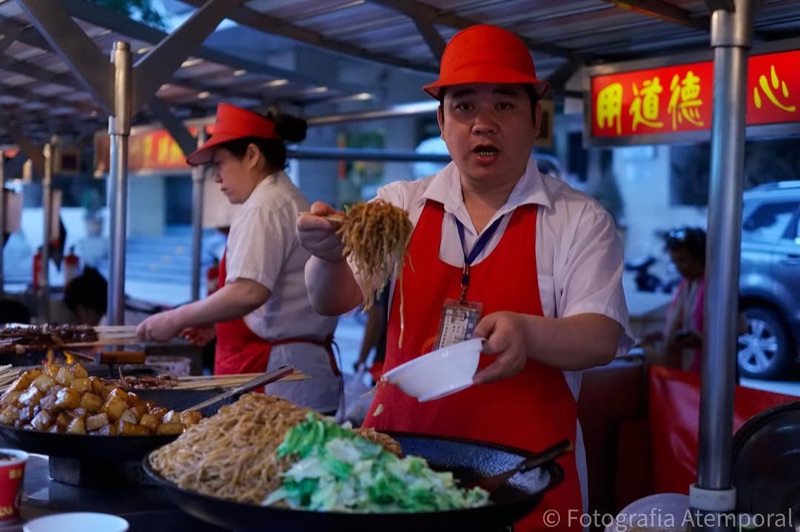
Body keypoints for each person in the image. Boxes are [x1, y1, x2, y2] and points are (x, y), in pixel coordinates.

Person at [296, 24, 633, 531]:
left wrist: (528, 331)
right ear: (441, 120)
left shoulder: (577, 219)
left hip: (522, 480)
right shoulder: (400, 205)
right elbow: (333, 298)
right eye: (465, 107)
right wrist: (325, 256)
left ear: (535, 118)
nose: (483, 124)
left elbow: (601, 336)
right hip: (395, 467)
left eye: (504, 105)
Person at [137, 103, 340, 414]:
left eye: (219, 163)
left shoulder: (265, 205)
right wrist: (217, 325)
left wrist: (174, 318)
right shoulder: (283, 198)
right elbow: (279, 301)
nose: (217, 178)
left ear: (252, 155)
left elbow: (249, 291)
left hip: (278, 382)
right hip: (292, 375)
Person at [641, 227, 745, 379]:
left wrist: (703, 339)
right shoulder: (686, 286)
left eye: (683, 260)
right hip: (690, 372)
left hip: (717, 377)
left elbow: (741, 327)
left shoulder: (721, 285)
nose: (679, 267)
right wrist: (664, 336)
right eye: (675, 261)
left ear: (700, 256)